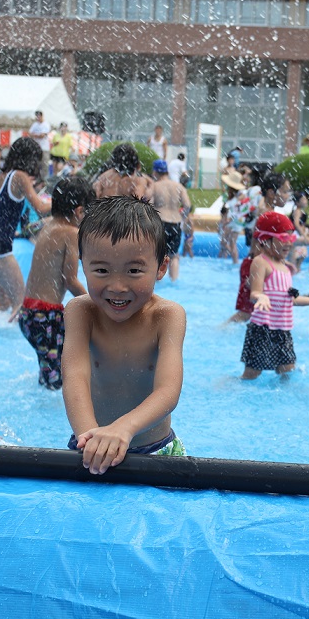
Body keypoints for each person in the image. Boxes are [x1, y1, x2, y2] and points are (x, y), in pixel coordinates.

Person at [61, 196, 187, 475]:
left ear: (161, 268)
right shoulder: (80, 312)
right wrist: (89, 438)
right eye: (102, 270)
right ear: (83, 265)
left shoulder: (167, 316)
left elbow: (168, 390)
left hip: (156, 450)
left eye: (133, 271)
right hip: (89, 443)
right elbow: (74, 377)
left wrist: (123, 428)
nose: (117, 286)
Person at [16, 176, 92, 390]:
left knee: (51, 368)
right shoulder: (71, 233)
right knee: (59, 378)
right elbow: (70, 280)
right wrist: (95, 303)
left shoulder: (48, 225)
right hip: (46, 316)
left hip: (29, 313)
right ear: (78, 212)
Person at [240, 211, 309, 379]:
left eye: (291, 238)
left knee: (287, 370)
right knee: (252, 373)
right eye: (283, 238)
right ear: (265, 240)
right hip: (262, 329)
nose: (289, 243)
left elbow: (289, 298)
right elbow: (255, 291)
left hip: (283, 330)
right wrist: (260, 296)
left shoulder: (285, 267)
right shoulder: (261, 262)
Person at [0, 137, 52, 319]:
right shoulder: (20, 176)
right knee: (21, 303)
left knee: (3, 303)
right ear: (30, 159)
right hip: (1, 246)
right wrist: (64, 200)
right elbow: (40, 207)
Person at [229, 172, 292, 323]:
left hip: (255, 264)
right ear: (271, 192)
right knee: (246, 313)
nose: (288, 195)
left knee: (254, 311)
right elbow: (259, 247)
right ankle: (219, 332)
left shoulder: (264, 208)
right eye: (284, 191)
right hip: (255, 265)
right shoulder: (266, 213)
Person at [148, 158, 192, 281]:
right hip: (175, 223)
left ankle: (157, 281)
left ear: (155, 172)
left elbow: (149, 205)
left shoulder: (155, 186)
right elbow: (187, 205)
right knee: (174, 256)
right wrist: (182, 218)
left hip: (159, 223)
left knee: (157, 255)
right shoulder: (178, 186)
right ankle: (174, 280)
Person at [290, 193, 309, 272]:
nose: (305, 201)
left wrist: (306, 231)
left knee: (297, 266)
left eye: (306, 199)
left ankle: (296, 269)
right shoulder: (297, 211)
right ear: (297, 202)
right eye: (303, 199)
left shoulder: (300, 211)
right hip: (295, 235)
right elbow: (296, 224)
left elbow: (301, 224)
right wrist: (304, 236)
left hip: (298, 235)